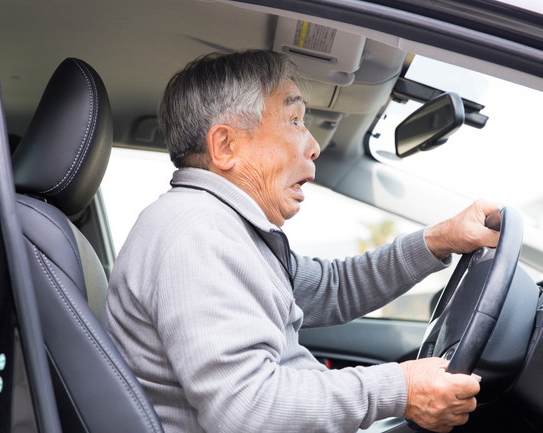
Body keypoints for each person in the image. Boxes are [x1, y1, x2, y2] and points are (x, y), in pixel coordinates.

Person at [104, 49, 500, 433]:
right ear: (225, 146)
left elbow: (333, 289)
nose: (314, 145)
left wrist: (441, 239)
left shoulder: (229, 229)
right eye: (293, 120)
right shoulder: (197, 233)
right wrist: (401, 388)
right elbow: (247, 408)